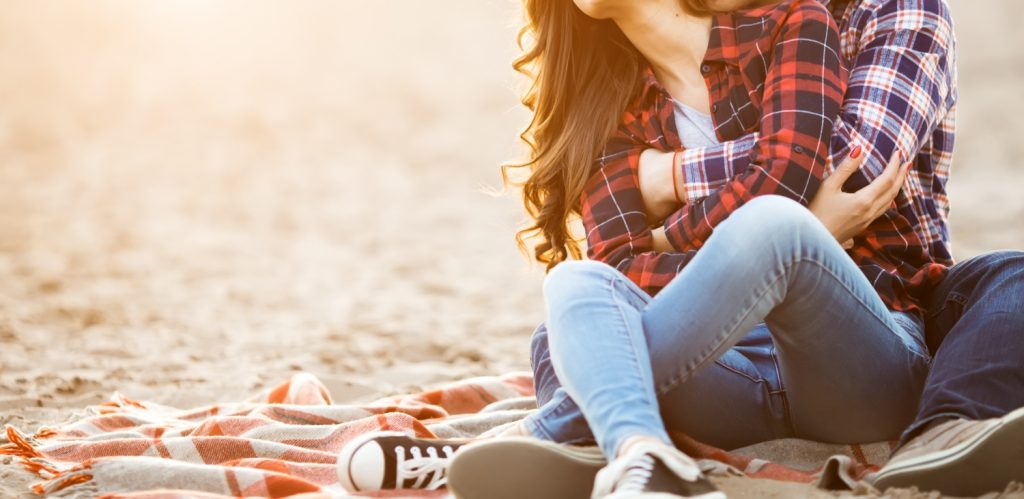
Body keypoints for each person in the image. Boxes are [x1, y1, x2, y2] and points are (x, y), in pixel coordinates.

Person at [338, 0, 1024, 497]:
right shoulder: (602, 113)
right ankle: (640, 450)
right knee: (575, 289)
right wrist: (731, 259)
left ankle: (537, 431)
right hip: (721, 367)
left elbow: (823, 167)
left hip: (855, 353)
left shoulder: (793, 24)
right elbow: (616, 260)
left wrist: (664, 191)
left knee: (773, 230)